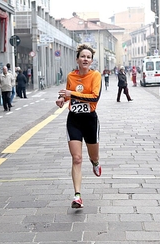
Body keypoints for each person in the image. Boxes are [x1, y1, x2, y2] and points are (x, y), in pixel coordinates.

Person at [55, 44, 102, 209]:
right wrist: (62, 100)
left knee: (93, 156)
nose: (85, 59)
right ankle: (77, 196)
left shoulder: (95, 76)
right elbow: (68, 96)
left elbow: (94, 98)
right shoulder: (71, 76)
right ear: (77, 59)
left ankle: (95, 163)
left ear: (91, 61)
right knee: (76, 158)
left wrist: (71, 94)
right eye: (83, 56)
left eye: (88, 57)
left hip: (90, 120)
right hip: (74, 120)